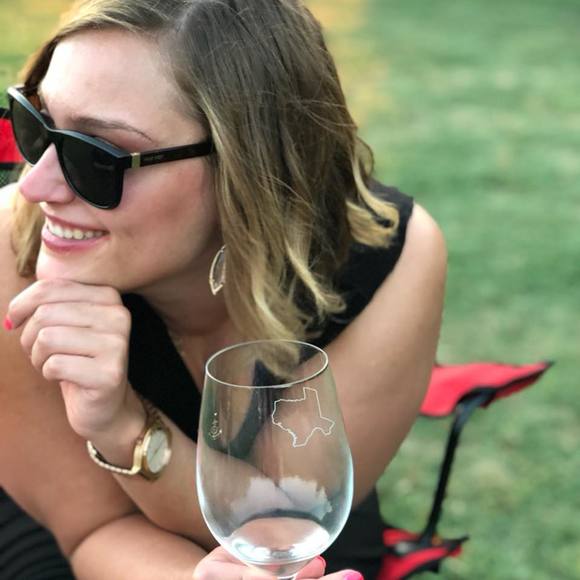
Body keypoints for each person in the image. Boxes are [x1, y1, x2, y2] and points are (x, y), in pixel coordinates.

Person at [0, 0, 446, 578]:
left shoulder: (384, 254)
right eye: (36, 125)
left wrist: (123, 425)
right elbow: (93, 528)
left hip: (298, 525)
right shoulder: (14, 246)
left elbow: (285, 527)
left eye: (97, 156)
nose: (36, 186)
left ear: (246, 168)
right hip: (58, 517)